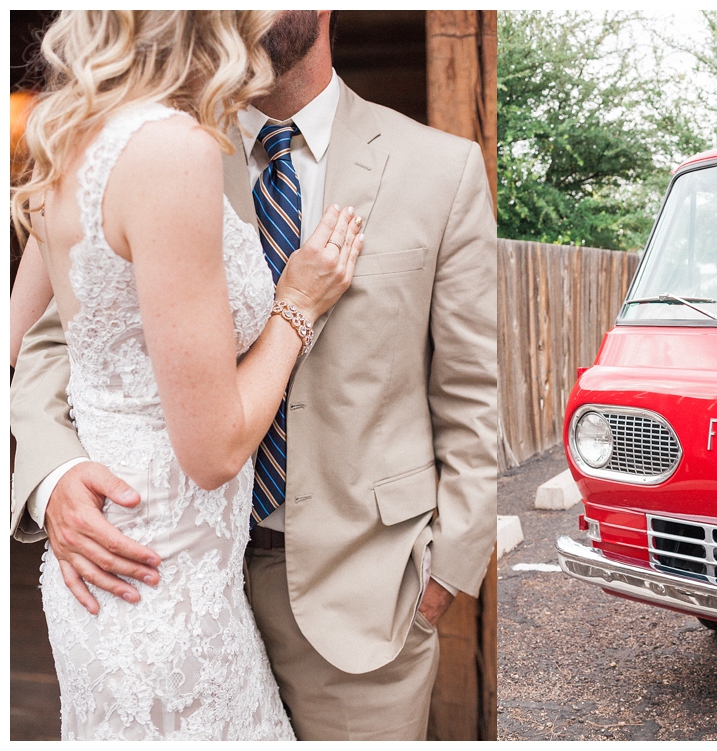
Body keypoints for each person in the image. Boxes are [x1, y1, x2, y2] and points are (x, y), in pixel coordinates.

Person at [10, 9, 499, 742]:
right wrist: (51, 478)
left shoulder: (442, 167)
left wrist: (442, 575)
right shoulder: (169, 146)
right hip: (157, 576)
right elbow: (56, 339)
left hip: (363, 605)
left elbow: (471, 392)